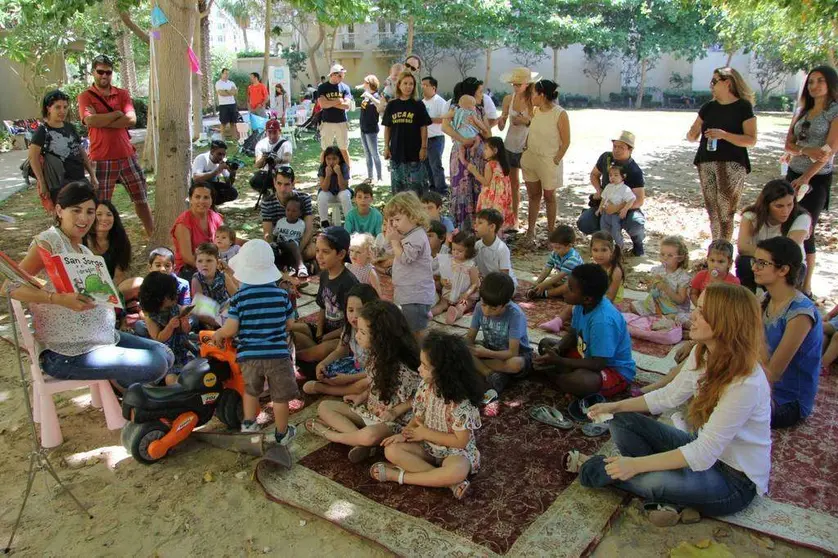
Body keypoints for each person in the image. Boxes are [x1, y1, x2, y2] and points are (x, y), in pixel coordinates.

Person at [569, 283, 770, 526]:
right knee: (622, 419)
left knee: (650, 481)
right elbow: (667, 397)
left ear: (725, 322)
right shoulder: (702, 352)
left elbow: (703, 454)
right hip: (700, 450)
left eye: (703, 312)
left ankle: (593, 468)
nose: (693, 315)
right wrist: (615, 407)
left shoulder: (746, 383)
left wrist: (635, 465)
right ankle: (673, 495)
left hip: (734, 482)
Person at [8, 182, 172, 392]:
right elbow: (9, 287)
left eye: (89, 212)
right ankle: (130, 394)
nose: (84, 218)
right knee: (156, 364)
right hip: (66, 353)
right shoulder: (49, 241)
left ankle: (129, 393)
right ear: (59, 210)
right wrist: (56, 298)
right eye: (76, 211)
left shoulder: (84, 251)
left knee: (165, 354)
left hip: (99, 338)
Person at [372, 331, 483, 500]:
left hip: (454, 452)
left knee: (457, 470)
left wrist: (426, 433)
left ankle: (399, 476)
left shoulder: (462, 402)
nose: (419, 369)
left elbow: (461, 442)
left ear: (443, 372)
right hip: (428, 446)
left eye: (424, 366)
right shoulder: (425, 387)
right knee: (392, 450)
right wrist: (404, 435)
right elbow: (418, 419)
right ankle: (448, 483)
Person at [307, 300, 421, 463]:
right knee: (325, 407)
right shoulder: (375, 355)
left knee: (369, 435)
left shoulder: (404, 368)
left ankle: (332, 435)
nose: (357, 336)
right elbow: (376, 382)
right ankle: (359, 442)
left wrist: (395, 412)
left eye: (362, 332)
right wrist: (362, 396)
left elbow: (420, 398)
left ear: (380, 337)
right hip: (371, 411)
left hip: (393, 422)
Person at [213, 240, 298, 445]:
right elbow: (290, 323)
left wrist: (219, 334)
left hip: (249, 356)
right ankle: (282, 433)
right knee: (279, 397)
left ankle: (249, 428)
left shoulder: (240, 298)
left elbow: (232, 328)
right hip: (277, 355)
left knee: (251, 392)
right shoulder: (281, 295)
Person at [78, 54, 153, 235]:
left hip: (127, 156)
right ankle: (101, 241)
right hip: (101, 158)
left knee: (141, 199)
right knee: (100, 206)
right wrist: (116, 114)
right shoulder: (85, 96)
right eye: (100, 72)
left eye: (108, 72)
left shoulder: (122, 94)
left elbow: (132, 119)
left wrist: (101, 119)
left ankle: (152, 233)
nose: (104, 76)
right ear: (93, 72)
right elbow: (89, 121)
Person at [535, 264, 635, 398]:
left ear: (587, 298)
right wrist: (557, 350)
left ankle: (556, 378)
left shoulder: (603, 321)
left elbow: (598, 363)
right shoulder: (580, 306)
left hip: (612, 369)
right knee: (546, 344)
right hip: (586, 355)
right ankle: (563, 374)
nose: (564, 290)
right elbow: (572, 334)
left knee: (581, 381)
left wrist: (560, 361)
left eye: (570, 289)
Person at [752, 237, 822, 429]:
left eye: (762, 263)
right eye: (754, 261)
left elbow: (773, 374)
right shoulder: (765, 299)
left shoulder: (800, 313)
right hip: (759, 384)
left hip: (787, 401)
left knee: (726, 407)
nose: (754, 268)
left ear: (783, 270)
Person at [783, 65, 838, 296]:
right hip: (792, 174)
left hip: (817, 178)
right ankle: (788, 280)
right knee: (786, 224)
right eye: (811, 81)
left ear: (830, 84)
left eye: (820, 81)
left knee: (807, 228)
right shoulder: (802, 110)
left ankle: (806, 285)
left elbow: (828, 150)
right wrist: (806, 150)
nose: (814, 86)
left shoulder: (834, 112)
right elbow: (788, 145)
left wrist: (807, 177)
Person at [687, 67, 757, 242]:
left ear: (728, 83)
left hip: (732, 164)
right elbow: (692, 135)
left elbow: (751, 139)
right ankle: (716, 247)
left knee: (725, 211)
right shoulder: (708, 107)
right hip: (706, 162)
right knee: (713, 210)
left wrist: (724, 135)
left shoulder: (743, 107)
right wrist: (693, 132)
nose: (711, 85)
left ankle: (723, 249)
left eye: (714, 81)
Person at [293, 227, 359, 366]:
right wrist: (319, 331)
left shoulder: (348, 283)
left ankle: (297, 357)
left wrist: (326, 337)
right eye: (317, 251)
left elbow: (352, 324)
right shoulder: (324, 275)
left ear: (341, 254)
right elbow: (322, 306)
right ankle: (309, 355)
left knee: (325, 348)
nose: (319, 256)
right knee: (293, 330)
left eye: (325, 252)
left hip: (342, 336)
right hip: (325, 332)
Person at [577, 131, 647, 256]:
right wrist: (599, 191)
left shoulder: (634, 170)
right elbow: (594, 174)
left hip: (626, 207)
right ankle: (603, 241)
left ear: (630, 150)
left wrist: (618, 208)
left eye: (621, 147)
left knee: (636, 223)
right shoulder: (606, 158)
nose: (617, 150)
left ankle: (637, 243)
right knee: (584, 222)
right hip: (604, 203)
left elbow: (639, 200)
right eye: (615, 146)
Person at [303, 284, 379, 396]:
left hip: (374, 373)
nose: (355, 316)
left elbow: (378, 370)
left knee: (365, 384)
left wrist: (348, 378)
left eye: (361, 310)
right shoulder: (349, 327)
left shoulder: (377, 332)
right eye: (350, 310)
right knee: (327, 371)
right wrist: (323, 364)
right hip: (358, 366)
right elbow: (340, 350)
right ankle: (338, 386)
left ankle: (325, 389)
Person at [736, 179, 811, 291]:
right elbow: (742, 247)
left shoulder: (801, 218)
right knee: (744, 262)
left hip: (788, 266)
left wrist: (765, 259)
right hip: (760, 262)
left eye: (789, 205)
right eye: (779, 206)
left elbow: (789, 251)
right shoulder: (751, 217)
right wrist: (767, 261)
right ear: (767, 205)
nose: (785, 211)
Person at [467, 272, 532, 400]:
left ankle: (488, 371)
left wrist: (487, 353)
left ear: (505, 304)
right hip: (490, 350)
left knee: (515, 364)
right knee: (460, 348)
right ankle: (491, 374)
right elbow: (470, 337)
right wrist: (467, 347)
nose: (486, 312)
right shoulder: (480, 307)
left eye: (493, 309)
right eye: (484, 305)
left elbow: (513, 352)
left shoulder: (515, 315)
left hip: (515, 354)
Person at [520, 79, 570, 244]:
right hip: (531, 158)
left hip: (548, 161)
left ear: (542, 95)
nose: (532, 96)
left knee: (549, 196)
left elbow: (566, 141)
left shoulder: (560, 113)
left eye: (534, 93)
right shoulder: (535, 111)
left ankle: (551, 233)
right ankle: (530, 231)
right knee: (533, 195)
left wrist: (555, 160)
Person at [29, 89, 98, 207]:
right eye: (58, 107)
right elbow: (33, 158)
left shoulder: (70, 127)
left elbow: (81, 152)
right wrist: (42, 182)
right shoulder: (42, 131)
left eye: (65, 107)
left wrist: (92, 176)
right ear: (48, 108)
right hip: (60, 184)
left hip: (79, 178)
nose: (62, 111)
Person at [444, 77, 493, 231]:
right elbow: (445, 127)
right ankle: (462, 228)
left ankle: (479, 229)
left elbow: (489, 134)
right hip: (460, 152)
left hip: (479, 153)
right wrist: (462, 139)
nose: (482, 95)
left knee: (478, 188)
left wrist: (480, 129)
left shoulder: (480, 110)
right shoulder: (455, 107)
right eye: (479, 92)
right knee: (461, 189)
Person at [384, 192, 436, 337]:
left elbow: (405, 258)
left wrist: (395, 241)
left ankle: (421, 356)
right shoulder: (406, 233)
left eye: (397, 219)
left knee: (417, 332)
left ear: (413, 216)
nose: (394, 224)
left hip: (416, 295)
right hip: (406, 292)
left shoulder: (418, 236)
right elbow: (389, 250)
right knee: (408, 327)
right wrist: (390, 237)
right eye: (391, 220)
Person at [498, 67, 538, 230]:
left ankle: (531, 224)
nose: (515, 87)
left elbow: (538, 125)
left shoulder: (534, 100)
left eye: (518, 84)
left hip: (527, 145)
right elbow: (502, 124)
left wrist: (526, 121)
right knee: (513, 184)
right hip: (510, 144)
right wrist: (501, 121)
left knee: (531, 186)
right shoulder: (508, 99)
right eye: (513, 84)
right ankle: (514, 219)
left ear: (527, 84)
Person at [383, 72, 432, 196]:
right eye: (405, 83)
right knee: (398, 190)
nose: (408, 86)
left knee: (416, 189)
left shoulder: (418, 105)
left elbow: (423, 127)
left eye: (411, 84)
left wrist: (423, 148)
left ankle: (416, 214)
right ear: (399, 85)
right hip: (396, 151)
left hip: (414, 152)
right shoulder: (392, 105)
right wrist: (386, 147)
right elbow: (387, 128)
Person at [139, 271, 194, 376]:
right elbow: (158, 338)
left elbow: (185, 331)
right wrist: (169, 327)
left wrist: (185, 323)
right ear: (159, 297)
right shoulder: (151, 317)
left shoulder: (175, 308)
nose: (176, 297)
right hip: (165, 354)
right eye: (172, 295)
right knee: (170, 377)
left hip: (181, 349)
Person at [631, 235, 692, 327]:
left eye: (670, 255)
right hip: (657, 305)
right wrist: (651, 284)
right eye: (662, 254)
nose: (665, 258)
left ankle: (666, 321)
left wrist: (666, 288)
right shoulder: (657, 270)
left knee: (682, 319)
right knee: (634, 306)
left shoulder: (682, 277)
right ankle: (662, 320)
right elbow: (650, 290)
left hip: (675, 309)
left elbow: (680, 300)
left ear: (680, 258)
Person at [260, 166, 315, 266]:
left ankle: (291, 262)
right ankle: (295, 263)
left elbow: (309, 229)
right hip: (280, 244)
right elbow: (268, 233)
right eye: (279, 183)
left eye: (287, 184)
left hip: (300, 243)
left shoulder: (304, 198)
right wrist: (275, 250)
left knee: (314, 250)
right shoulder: (267, 202)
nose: (282, 189)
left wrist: (297, 251)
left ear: (293, 184)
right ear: (274, 182)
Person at [171, 183, 224, 280]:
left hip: (213, 262)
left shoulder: (214, 216)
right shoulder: (183, 223)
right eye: (197, 197)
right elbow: (187, 257)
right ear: (191, 199)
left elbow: (229, 237)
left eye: (206, 197)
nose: (201, 201)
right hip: (190, 267)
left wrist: (249, 243)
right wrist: (211, 268)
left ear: (211, 200)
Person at [465, 136, 515, 232]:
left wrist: (474, 171)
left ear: (495, 150)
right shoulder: (502, 164)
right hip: (501, 199)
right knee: (497, 220)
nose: (484, 151)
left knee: (488, 218)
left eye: (486, 149)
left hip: (491, 198)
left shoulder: (490, 165)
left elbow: (486, 182)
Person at [431, 231, 480, 325]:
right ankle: (430, 313)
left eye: (460, 251)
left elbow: (475, 283)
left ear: (469, 251)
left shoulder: (470, 265)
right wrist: (443, 282)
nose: (456, 253)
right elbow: (443, 277)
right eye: (453, 249)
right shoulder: (449, 260)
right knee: (442, 304)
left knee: (462, 305)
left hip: (464, 295)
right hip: (449, 293)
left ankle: (455, 314)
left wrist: (467, 293)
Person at [527, 225, 583, 300]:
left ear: (569, 246)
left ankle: (546, 294)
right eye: (553, 247)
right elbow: (547, 268)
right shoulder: (555, 253)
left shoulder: (573, 258)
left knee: (566, 287)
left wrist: (543, 285)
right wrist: (538, 282)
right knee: (548, 283)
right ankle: (541, 291)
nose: (555, 250)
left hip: (576, 284)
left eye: (558, 248)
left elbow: (560, 275)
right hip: (563, 280)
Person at [84, 200, 131, 287]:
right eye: (99, 214)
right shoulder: (82, 240)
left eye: (109, 214)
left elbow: (119, 276)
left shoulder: (121, 241)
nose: (104, 218)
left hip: (112, 288)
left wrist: (108, 294)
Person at [318, 64, 353, 169]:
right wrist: (338, 101)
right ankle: (322, 172)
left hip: (341, 122)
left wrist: (329, 102)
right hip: (327, 122)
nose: (342, 78)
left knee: (343, 148)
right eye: (341, 75)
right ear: (333, 75)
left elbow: (347, 105)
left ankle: (347, 172)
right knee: (325, 149)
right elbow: (322, 105)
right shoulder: (322, 87)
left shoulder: (345, 87)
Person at [474, 208, 517, 287]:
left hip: (503, 283)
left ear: (492, 227)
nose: (475, 226)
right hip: (487, 282)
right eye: (475, 223)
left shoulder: (502, 249)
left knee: (494, 295)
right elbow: (471, 265)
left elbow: (504, 276)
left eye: (480, 223)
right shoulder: (477, 246)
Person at [421, 76, 450, 195]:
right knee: (427, 165)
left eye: (426, 85)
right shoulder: (422, 102)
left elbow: (445, 119)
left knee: (435, 165)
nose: (423, 87)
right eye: (422, 85)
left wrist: (428, 119)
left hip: (436, 138)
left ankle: (442, 190)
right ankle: (433, 188)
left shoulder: (440, 101)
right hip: (424, 139)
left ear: (434, 88)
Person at [597, 165, 637, 250]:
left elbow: (632, 198)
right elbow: (604, 198)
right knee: (604, 230)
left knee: (616, 232)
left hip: (615, 215)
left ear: (623, 176)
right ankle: (607, 248)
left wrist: (625, 210)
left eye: (616, 175)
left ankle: (620, 248)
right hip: (605, 213)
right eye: (610, 175)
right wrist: (599, 208)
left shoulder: (625, 188)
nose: (612, 177)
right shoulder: (608, 186)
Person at [689, 240, 740, 307]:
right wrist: (699, 306)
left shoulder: (733, 282)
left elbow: (733, 303)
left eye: (720, 262)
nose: (715, 265)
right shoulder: (701, 276)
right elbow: (693, 293)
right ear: (707, 260)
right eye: (712, 260)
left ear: (729, 263)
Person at [190, 242, 238, 308]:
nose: (204, 264)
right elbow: (199, 303)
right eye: (200, 261)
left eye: (209, 260)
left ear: (217, 263)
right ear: (195, 263)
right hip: (206, 310)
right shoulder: (196, 278)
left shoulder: (223, 276)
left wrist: (228, 307)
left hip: (224, 309)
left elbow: (236, 295)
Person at [191, 140, 239, 205]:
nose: (221, 157)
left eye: (223, 155)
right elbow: (196, 178)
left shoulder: (222, 161)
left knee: (232, 192)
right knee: (210, 189)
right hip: (198, 187)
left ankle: (211, 206)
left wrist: (232, 173)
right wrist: (217, 171)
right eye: (219, 154)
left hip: (211, 186)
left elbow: (229, 184)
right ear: (212, 151)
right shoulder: (202, 158)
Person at [272, 196, 309, 278]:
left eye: (294, 211)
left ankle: (301, 267)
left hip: (293, 249)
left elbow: (301, 238)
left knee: (292, 244)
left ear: (300, 213)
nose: (290, 213)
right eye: (288, 210)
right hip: (280, 245)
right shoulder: (281, 222)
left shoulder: (301, 224)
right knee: (272, 247)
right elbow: (274, 235)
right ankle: (277, 270)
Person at [317, 146, 352, 227]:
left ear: (339, 159)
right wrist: (328, 175)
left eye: (334, 159)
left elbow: (343, 187)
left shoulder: (343, 167)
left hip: (340, 191)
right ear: (325, 159)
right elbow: (324, 188)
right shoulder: (323, 168)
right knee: (321, 195)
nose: (331, 161)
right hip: (329, 193)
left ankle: (350, 221)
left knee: (345, 194)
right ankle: (324, 222)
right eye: (328, 159)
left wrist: (339, 173)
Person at [357, 75, 384, 183]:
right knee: (367, 154)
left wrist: (370, 96)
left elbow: (380, 106)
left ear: (370, 83)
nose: (364, 84)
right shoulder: (366, 96)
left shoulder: (376, 96)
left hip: (371, 129)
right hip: (363, 128)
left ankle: (380, 177)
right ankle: (370, 176)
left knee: (374, 154)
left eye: (365, 82)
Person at [215, 68, 239, 139]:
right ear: (222, 74)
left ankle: (234, 138)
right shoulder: (218, 83)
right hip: (223, 105)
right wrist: (230, 92)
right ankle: (222, 139)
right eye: (225, 73)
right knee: (223, 123)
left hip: (232, 104)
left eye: (228, 73)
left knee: (233, 122)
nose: (227, 75)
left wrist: (226, 91)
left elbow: (235, 92)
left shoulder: (231, 83)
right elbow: (221, 93)